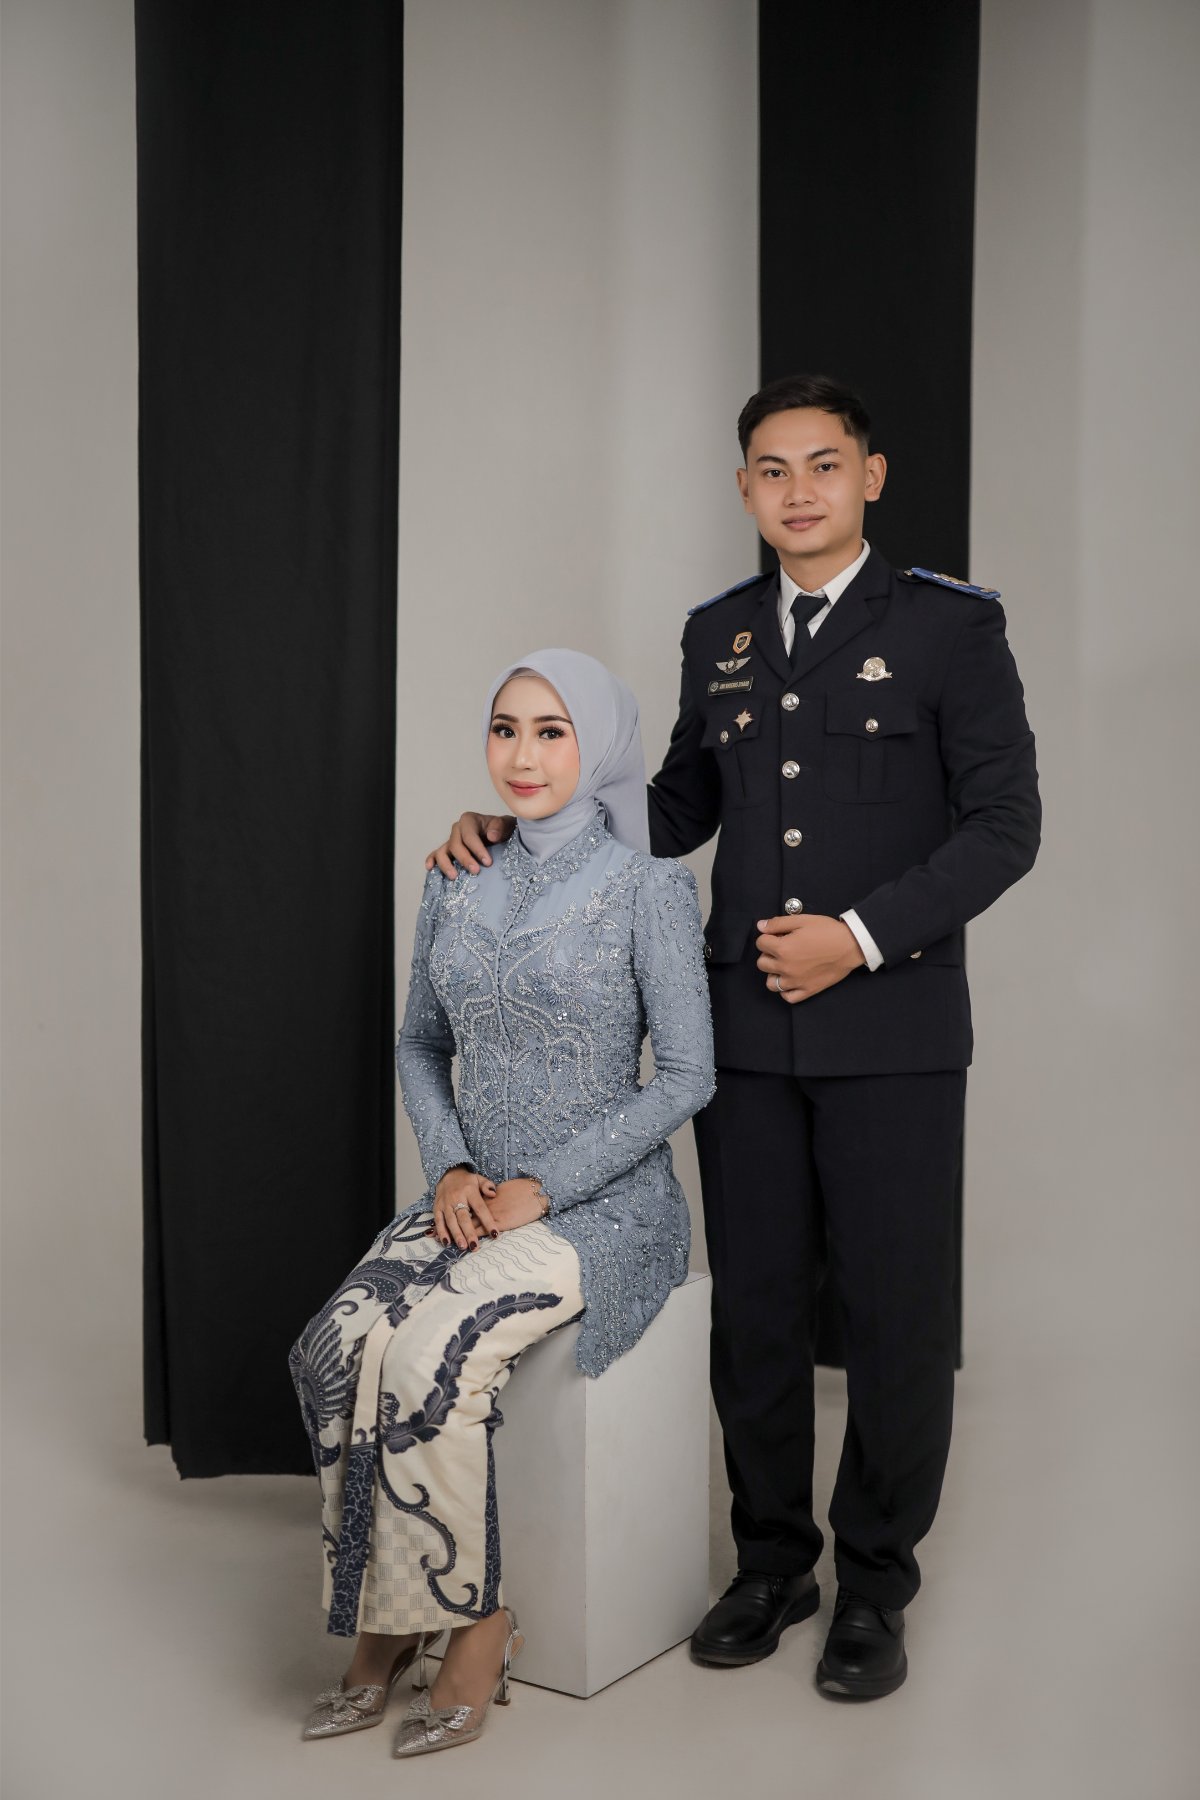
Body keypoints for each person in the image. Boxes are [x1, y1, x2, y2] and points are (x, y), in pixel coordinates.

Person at [429, 373, 1041, 1700]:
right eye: (771, 469)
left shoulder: (949, 629)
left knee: (892, 1315)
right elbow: (673, 810)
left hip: (890, 1028)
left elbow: (1006, 828)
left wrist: (858, 936)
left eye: (823, 464)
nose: (798, 490)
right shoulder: (719, 633)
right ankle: (772, 1564)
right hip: (746, 1035)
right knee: (755, 1310)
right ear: (745, 488)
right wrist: (517, 816)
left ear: (870, 476)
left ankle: (874, 1583)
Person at [289, 649, 714, 1755]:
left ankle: (476, 1622)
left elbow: (687, 1076)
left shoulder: (651, 887)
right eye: (505, 728)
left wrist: (548, 1188)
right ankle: (390, 1614)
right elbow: (419, 1044)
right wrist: (447, 1170)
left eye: (552, 732)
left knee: (430, 1358)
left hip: (601, 1207)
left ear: (600, 747)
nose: (523, 756)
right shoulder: (455, 874)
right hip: (470, 1193)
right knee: (330, 1349)